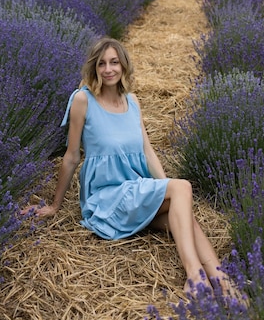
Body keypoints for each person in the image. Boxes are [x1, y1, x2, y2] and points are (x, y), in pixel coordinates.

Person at [23, 37, 233, 297]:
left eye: (114, 62)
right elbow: (71, 156)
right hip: (106, 198)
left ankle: (222, 281)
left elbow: (147, 151)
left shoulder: (132, 102)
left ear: (123, 66)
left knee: (183, 212)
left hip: (134, 190)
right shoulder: (82, 100)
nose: (108, 69)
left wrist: (165, 188)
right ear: (94, 68)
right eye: (102, 64)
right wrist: (54, 206)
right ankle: (193, 276)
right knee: (182, 188)